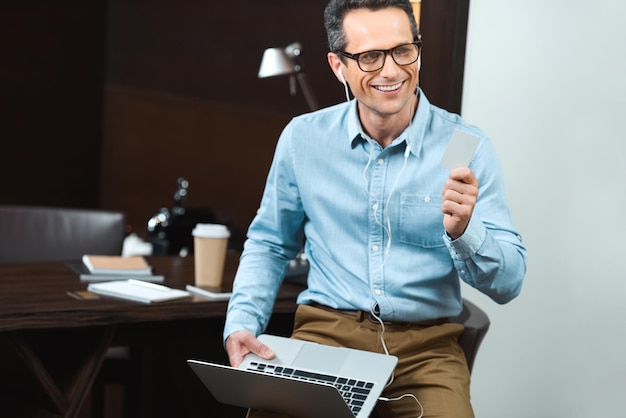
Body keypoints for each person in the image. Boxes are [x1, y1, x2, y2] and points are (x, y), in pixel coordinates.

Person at [223, 0, 527, 416]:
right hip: (325, 339)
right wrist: (241, 322)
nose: (391, 71)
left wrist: (465, 231)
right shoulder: (305, 139)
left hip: (428, 351)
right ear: (338, 66)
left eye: (403, 50)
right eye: (369, 57)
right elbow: (270, 243)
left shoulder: (462, 146)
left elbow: (509, 283)